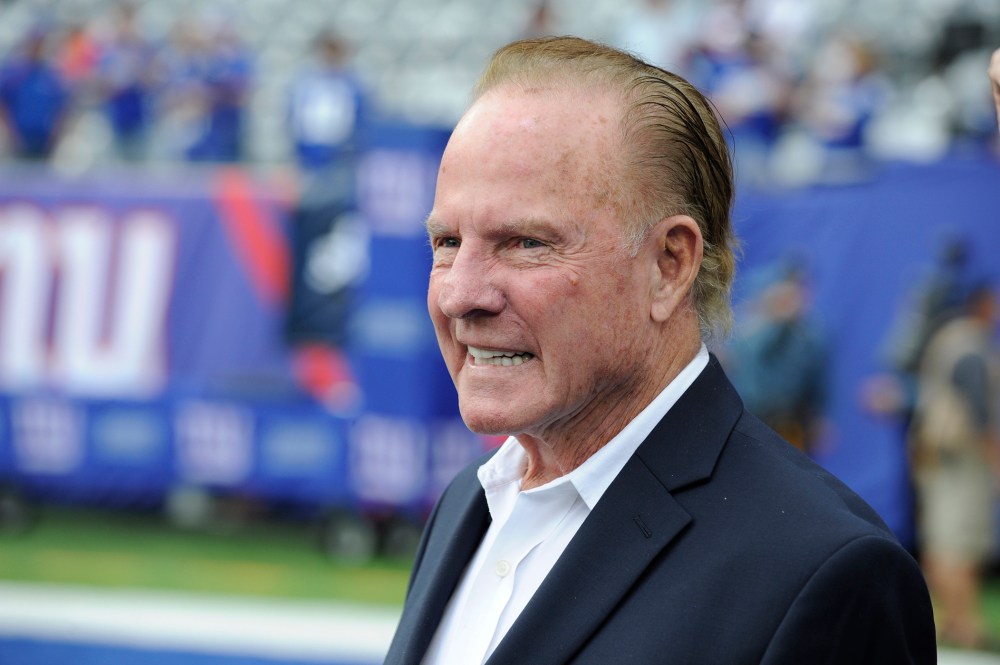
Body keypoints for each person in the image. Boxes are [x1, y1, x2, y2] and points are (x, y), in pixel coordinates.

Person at [384, 37, 934, 664]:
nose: (460, 294)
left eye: (525, 242)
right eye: (447, 241)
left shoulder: (822, 571)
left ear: (670, 265)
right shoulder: (468, 503)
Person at [909, 282, 1000, 650]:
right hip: (959, 458)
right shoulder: (970, 348)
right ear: (983, 306)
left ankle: (950, 619)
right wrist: (996, 459)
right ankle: (965, 624)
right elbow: (979, 414)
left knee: (943, 538)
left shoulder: (945, 339)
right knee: (958, 543)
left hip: (937, 455)